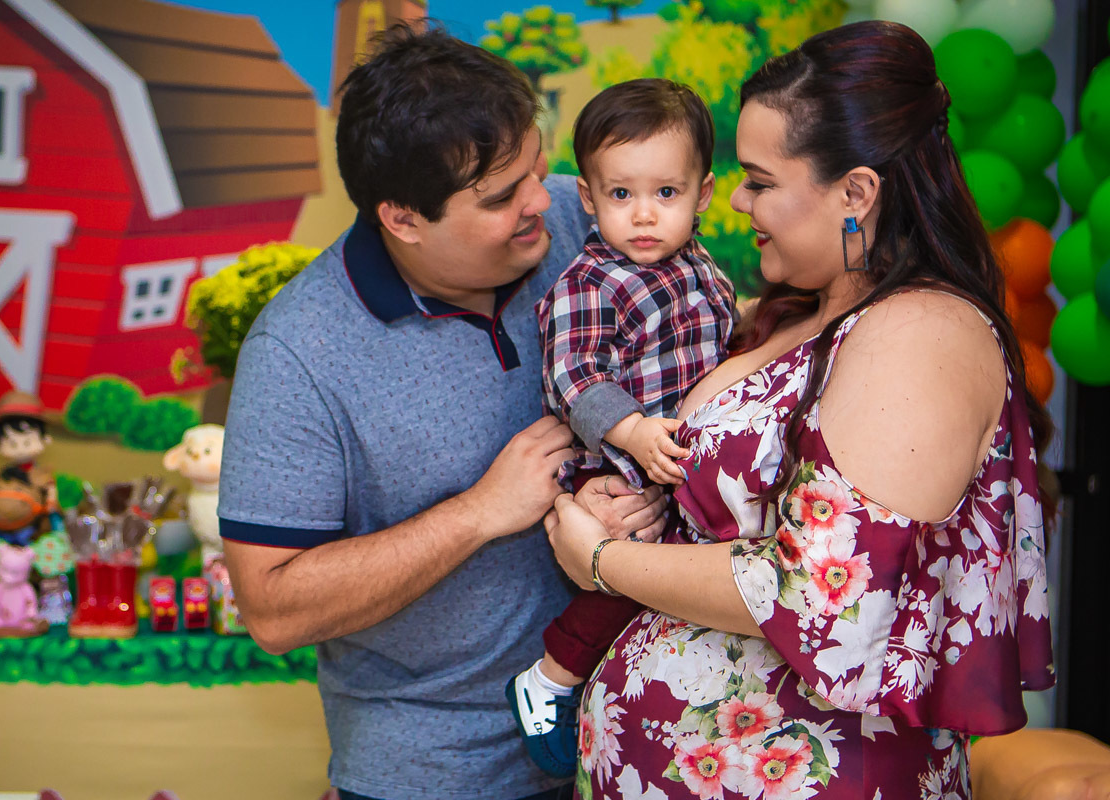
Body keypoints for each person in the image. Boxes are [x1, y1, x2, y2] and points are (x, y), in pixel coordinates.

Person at [542, 20, 1054, 799]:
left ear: (855, 193)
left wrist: (602, 564)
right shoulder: (799, 315)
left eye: (760, 180)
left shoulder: (920, 331)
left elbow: (822, 597)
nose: (739, 200)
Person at [216, 24, 666, 800]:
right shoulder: (298, 352)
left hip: (631, 736)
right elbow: (272, 608)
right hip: (434, 773)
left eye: (535, 165)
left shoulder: (581, 218)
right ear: (403, 219)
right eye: (499, 198)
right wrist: (481, 512)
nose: (540, 203)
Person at [508, 78, 736, 776]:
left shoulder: (699, 267)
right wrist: (633, 432)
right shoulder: (592, 283)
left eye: (666, 194)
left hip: (681, 466)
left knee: (685, 593)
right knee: (631, 579)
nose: (643, 215)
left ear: (703, 194)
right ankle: (550, 676)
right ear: (587, 197)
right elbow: (574, 376)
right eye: (620, 195)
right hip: (622, 466)